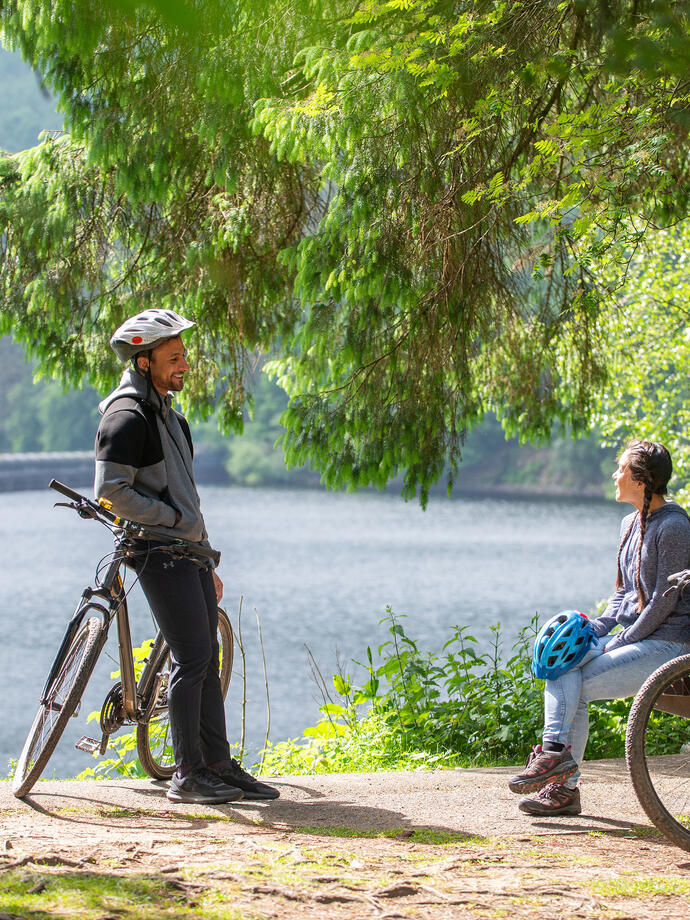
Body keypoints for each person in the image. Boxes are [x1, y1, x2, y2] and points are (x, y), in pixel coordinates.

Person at [95, 308, 279, 805]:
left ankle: (217, 763)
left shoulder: (170, 416)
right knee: (192, 655)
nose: (184, 365)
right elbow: (111, 492)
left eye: (184, 356)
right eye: (173, 357)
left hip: (187, 551)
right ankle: (187, 773)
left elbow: (188, 497)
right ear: (143, 360)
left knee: (207, 652)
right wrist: (174, 522)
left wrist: (206, 555)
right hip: (157, 550)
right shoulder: (126, 416)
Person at [509, 440, 690, 816]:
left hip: (668, 642)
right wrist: (596, 628)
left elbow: (664, 599)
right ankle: (559, 771)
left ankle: (558, 773)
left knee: (574, 687)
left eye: (621, 469)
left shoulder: (674, 526)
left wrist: (621, 638)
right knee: (560, 663)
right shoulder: (629, 523)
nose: (615, 475)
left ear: (641, 480)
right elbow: (622, 592)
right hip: (633, 635)